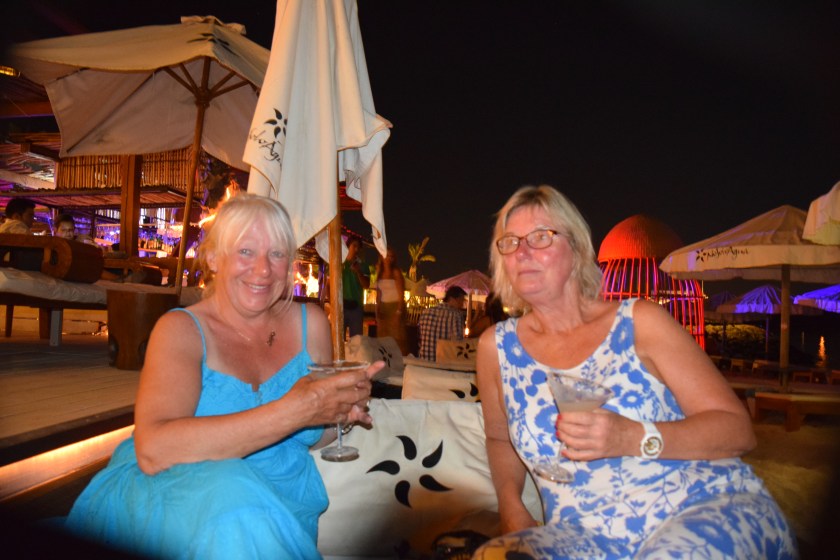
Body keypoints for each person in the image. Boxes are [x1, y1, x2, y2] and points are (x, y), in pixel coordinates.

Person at [474, 185, 796, 558]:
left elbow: (737, 430)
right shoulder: (496, 348)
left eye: (540, 237)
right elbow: (499, 438)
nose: (523, 252)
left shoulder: (640, 321)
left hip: (700, 504)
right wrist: (511, 507)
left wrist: (630, 437)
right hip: (583, 532)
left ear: (577, 249)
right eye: (510, 242)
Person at [62, 194, 382, 559]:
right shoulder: (181, 330)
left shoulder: (310, 324)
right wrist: (297, 409)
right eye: (246, 251)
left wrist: (340, 412)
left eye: (277, 254)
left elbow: (310, 434)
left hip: (281, 504)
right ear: (214, 258)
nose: (263, 269)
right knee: (233, 499)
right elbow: (153, 450)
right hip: (177, 498)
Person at [417, 285, 467, 361]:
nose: (462, 305)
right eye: (461, 300)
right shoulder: (456, 315)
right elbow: (458, 343)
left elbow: (419, 337)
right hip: (443, 363)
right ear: (452, 299)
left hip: (424, 361)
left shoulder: (426, 312)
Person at [374, 246, 408, 354]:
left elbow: (401, 295)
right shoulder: (380, 273)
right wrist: (377, 310)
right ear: (382, 257)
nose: (388, 258)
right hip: (383, 308)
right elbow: (379, 294)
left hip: (395, 306)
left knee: (396, 339)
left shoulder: (396, 272)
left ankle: (399, 361)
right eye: (386, 255)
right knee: (383, 338)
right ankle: (385, 360)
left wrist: (398, 312)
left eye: (391, 256)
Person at [342, 235, 369, 337]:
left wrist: (358, 272)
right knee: (337, 339)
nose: (356, 249)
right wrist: (333, 304)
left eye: (358, 247)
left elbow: (366, 285)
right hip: (341, 307)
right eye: (354, 246)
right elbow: (328, 284)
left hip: (356, 308)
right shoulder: (339, 263)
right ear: (348, 246)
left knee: (356, 341)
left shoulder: (363, 265)